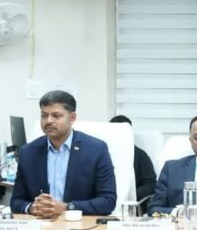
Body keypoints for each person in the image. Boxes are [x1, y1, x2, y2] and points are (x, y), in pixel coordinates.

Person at [9, 90, 117, 218]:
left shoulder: (96, 150)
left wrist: (67, 208)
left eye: (56, 116)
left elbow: (108, 201)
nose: (49, 121)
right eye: (44, 115)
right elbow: (16, 201)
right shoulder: (28, 152)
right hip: (40, 225)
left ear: (72, 118)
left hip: (79, 225)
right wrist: (32, 208)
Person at [109, 115, 158, 213]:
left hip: (131, 208)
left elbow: (151, 185)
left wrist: (130, 195)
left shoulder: (140, 155)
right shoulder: (103, 153)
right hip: (106, 202)